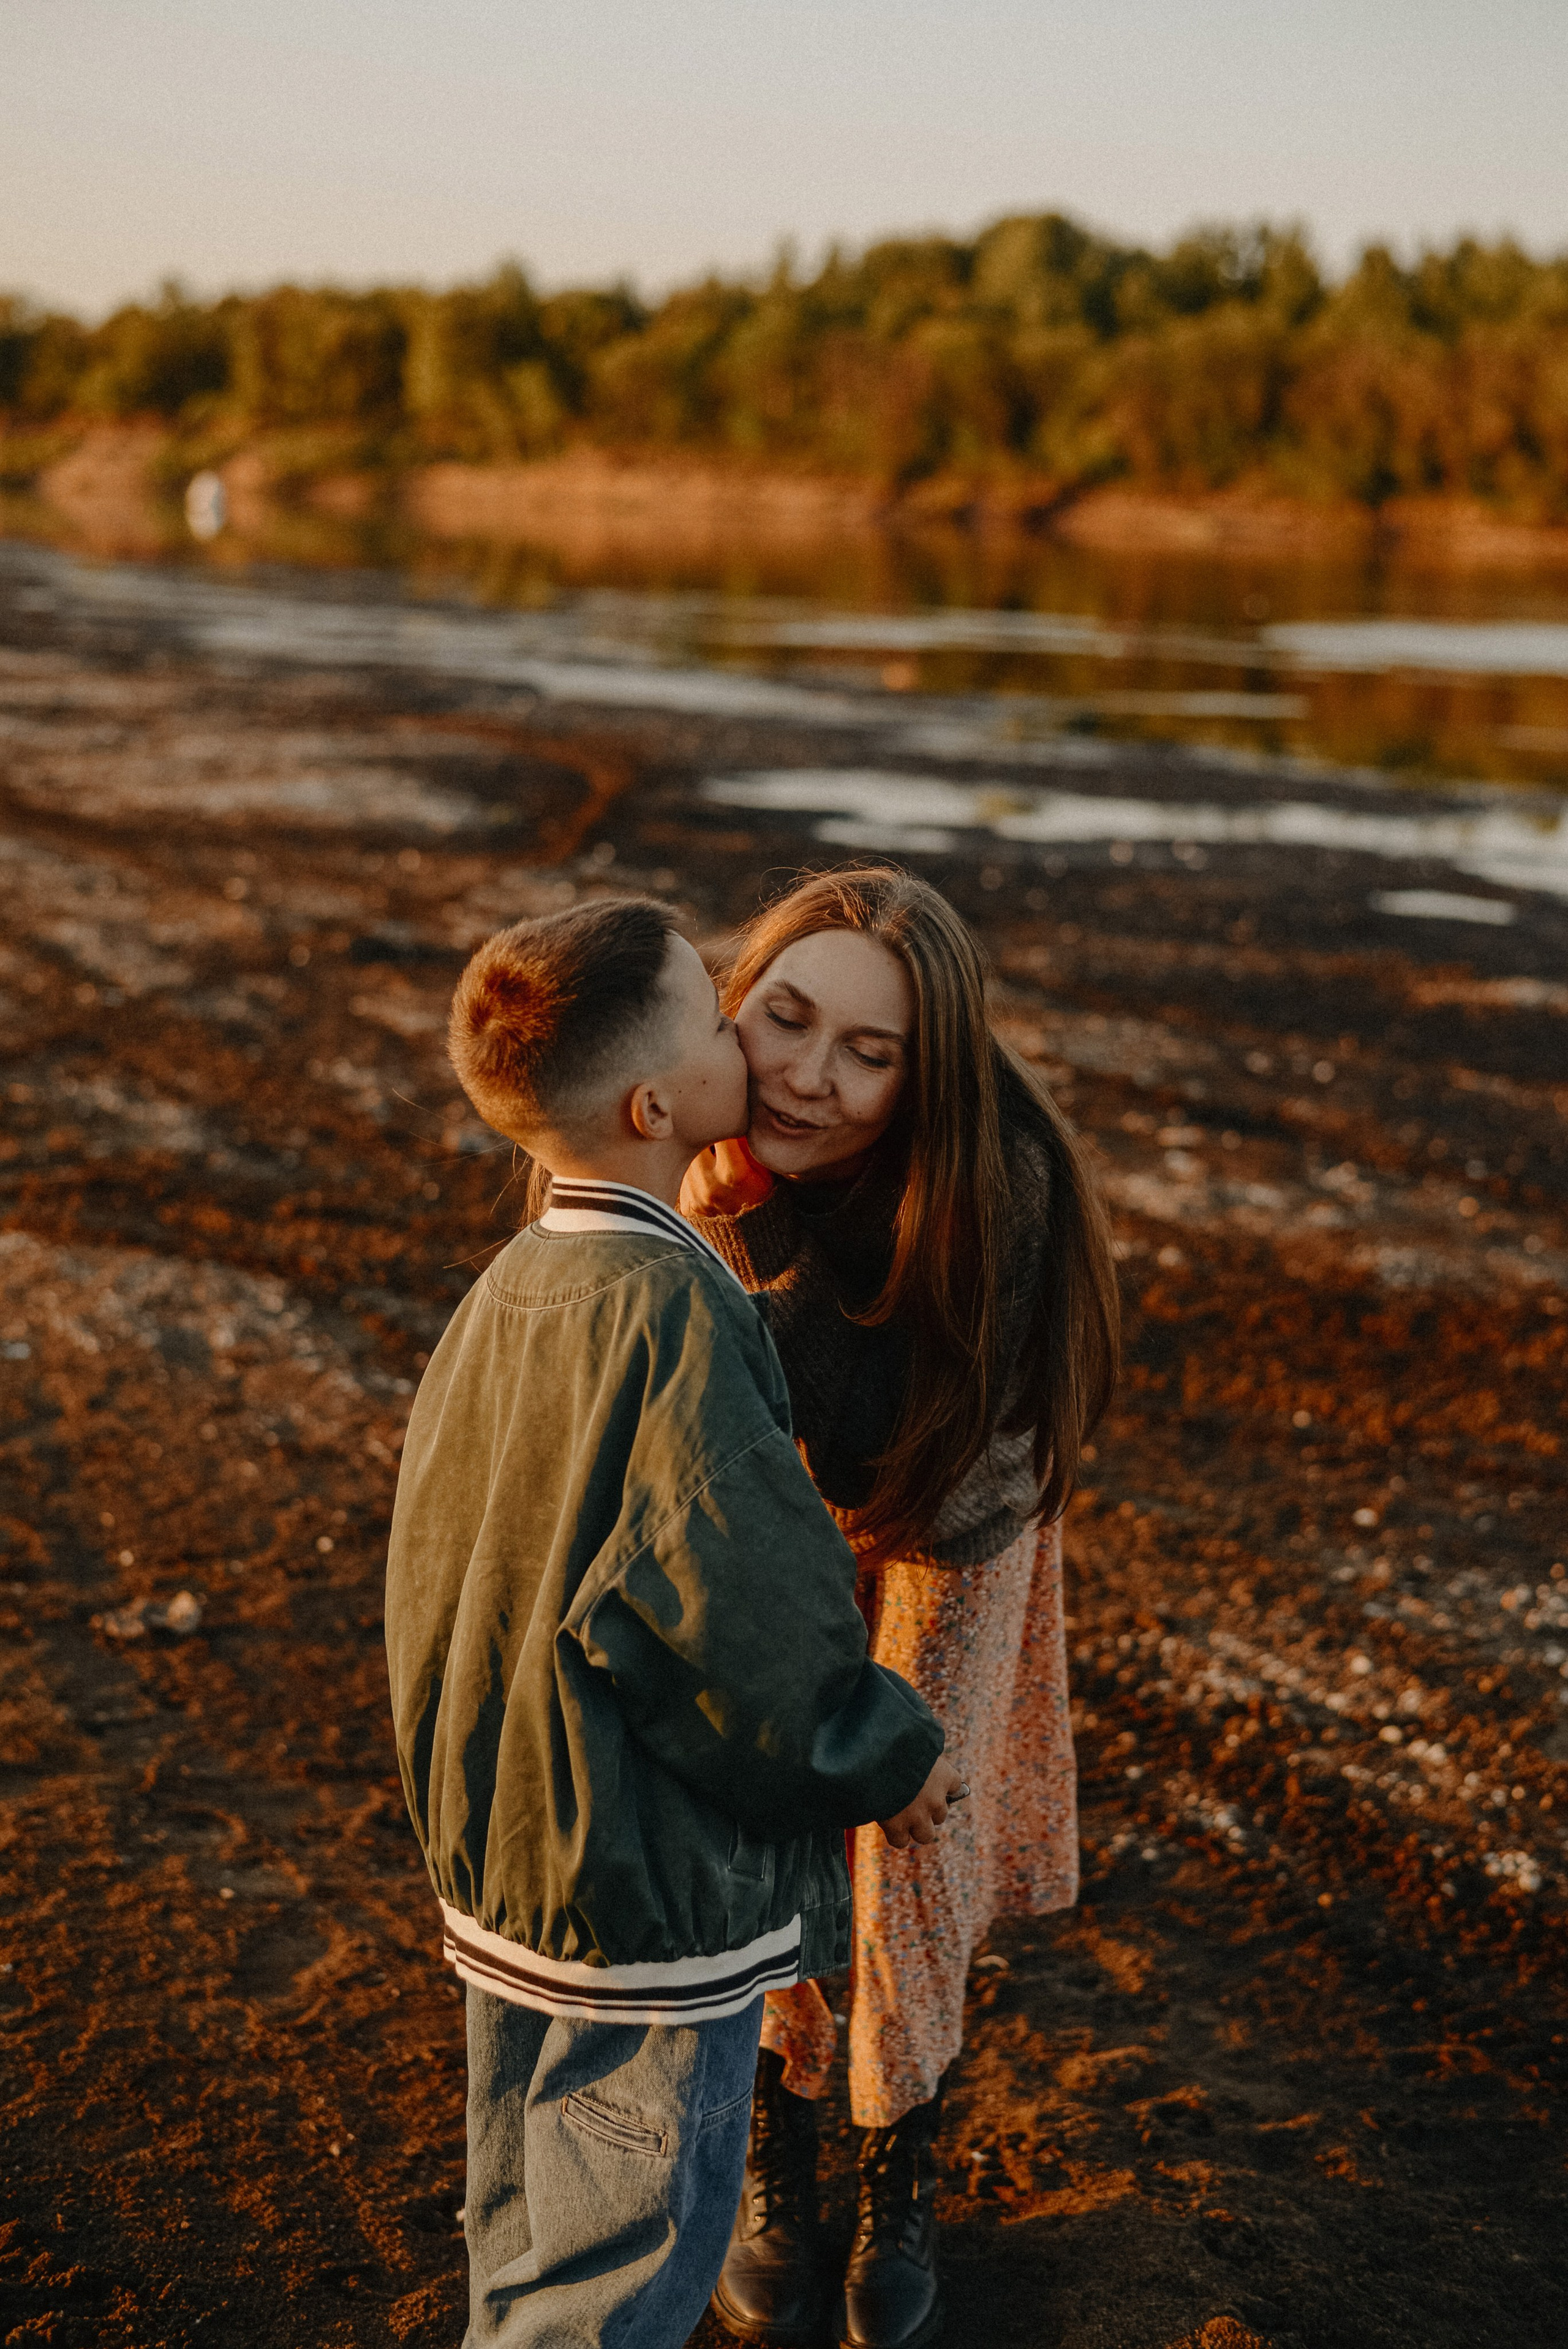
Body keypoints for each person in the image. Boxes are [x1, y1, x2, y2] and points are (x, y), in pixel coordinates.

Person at [384, 894, 965, 2349]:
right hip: (639, 1899)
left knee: (525, 2232)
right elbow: (745, 1609)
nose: (744, 1043)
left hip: (510, 1859)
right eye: (720, 1019)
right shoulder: (670, 1309)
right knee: (622, 2265)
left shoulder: (512, 1284)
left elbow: (444, 1559)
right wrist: (883, 1750)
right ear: (660, 1102)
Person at [684, 865, 1120, 2349]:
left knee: (907, 1832)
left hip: (950, 1514)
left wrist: (742, 1241)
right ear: (730, 1002)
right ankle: (774, 2165)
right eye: (783, 1019)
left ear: (924, 1073)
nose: (807, 1076)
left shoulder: (999, 1185)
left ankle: (899, 2169)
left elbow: (885, 1440)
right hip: (782, 1501)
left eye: (867, 1053)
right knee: (767, 1800)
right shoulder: (687, 1112)